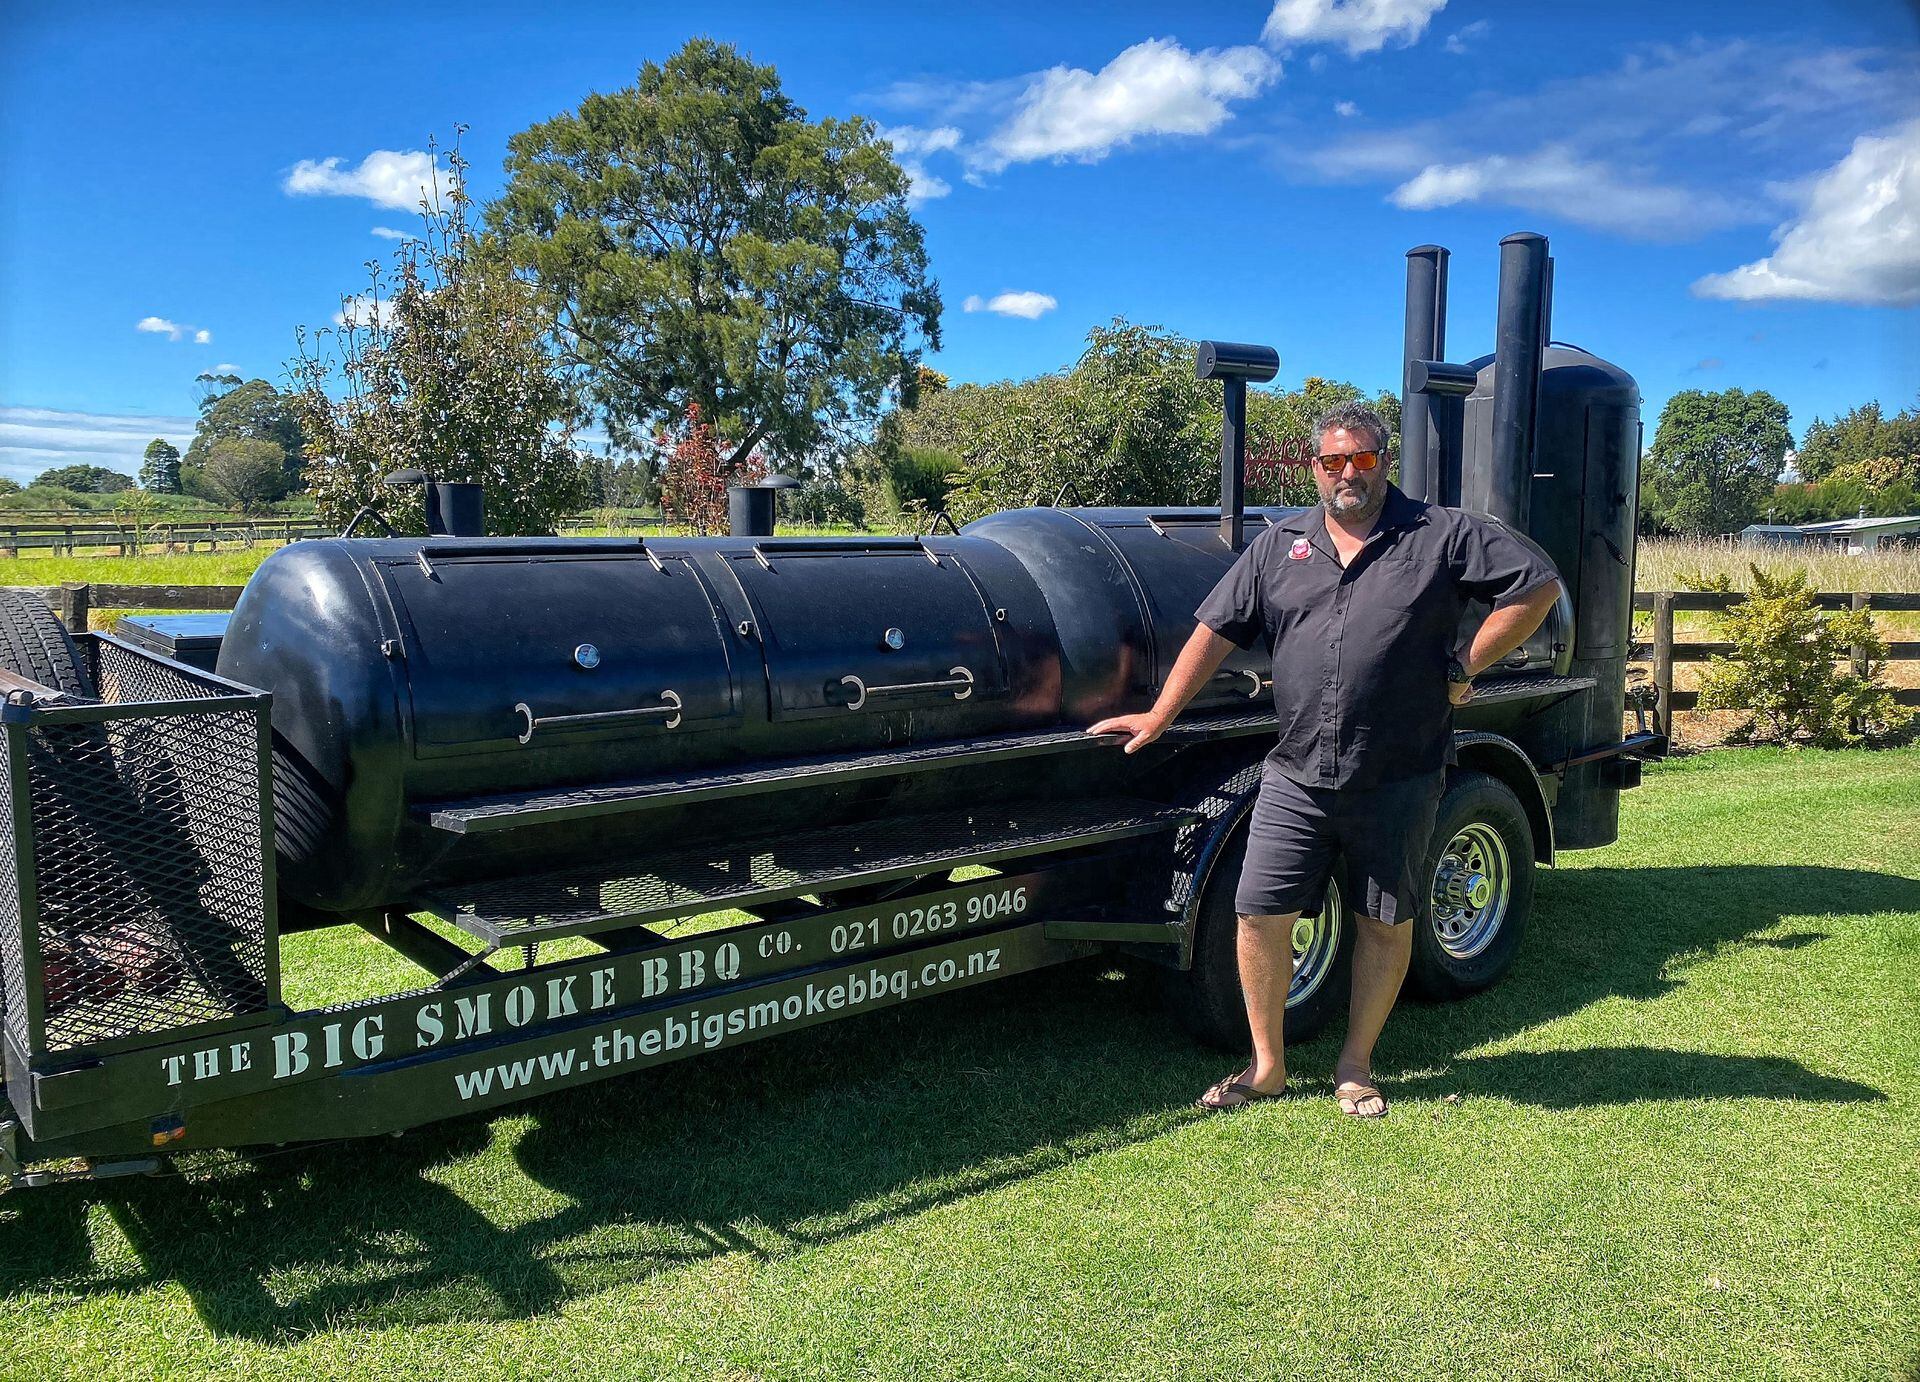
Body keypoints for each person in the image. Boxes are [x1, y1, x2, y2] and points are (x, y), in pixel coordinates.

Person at [1087, 401, 1563, 1119]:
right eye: (1333, 460)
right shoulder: (1282, 545)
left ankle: (1355, 1065)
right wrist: (1161, 713)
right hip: (1296, 774)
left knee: (1384, 920)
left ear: (1383, 462)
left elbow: (1536, 585)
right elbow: (1214, 630)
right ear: (1313, 467)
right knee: (1257, 913)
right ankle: (1268, 1065)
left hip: (1398, 772)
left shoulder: (1441, 534)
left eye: (1362, 458)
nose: (1348, 473)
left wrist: (1467, 664)